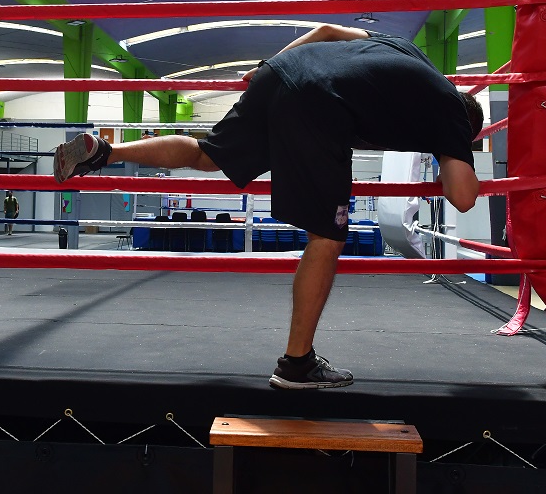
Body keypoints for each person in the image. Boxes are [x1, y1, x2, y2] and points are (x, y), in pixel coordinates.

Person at [53, 24, 482, 389]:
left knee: (207, 155)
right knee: (328, 237)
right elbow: (462, 197)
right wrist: (453, 154)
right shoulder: (450, 116)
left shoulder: (408, 51)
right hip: (321, 105)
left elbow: (328, 31)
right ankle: (297, 365)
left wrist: (263, 67)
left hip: (283, 71)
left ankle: (104, 150)